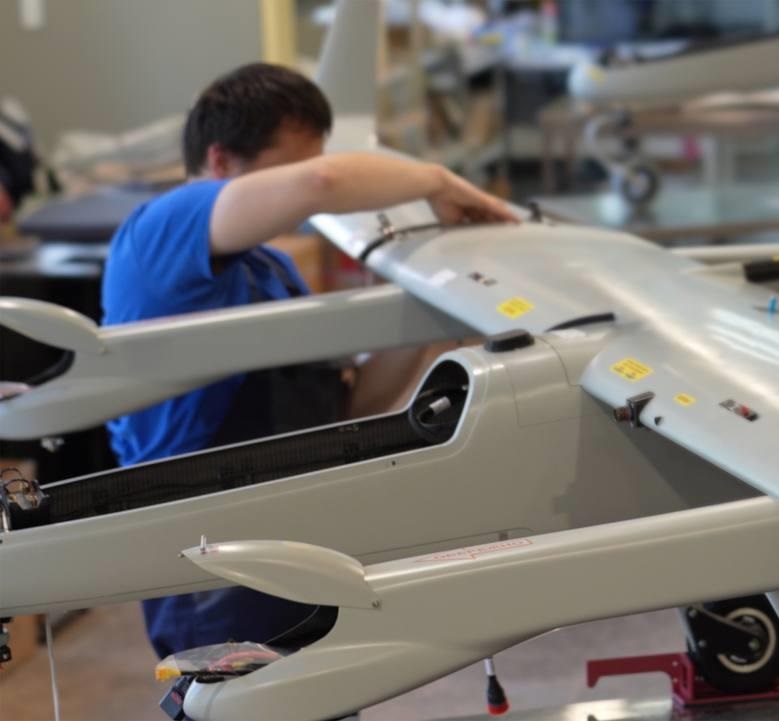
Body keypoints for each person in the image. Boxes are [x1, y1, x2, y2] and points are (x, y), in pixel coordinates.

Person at [101, 62, 516, 659]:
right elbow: (322, 182)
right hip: (206, 551)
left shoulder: (269, 267)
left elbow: (345, 405)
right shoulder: (159, 229)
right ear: (220, 162)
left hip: (296, 533)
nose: (299, 205)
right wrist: (438, 181)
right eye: (286, 169)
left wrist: (429, 309)